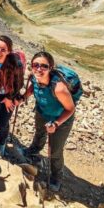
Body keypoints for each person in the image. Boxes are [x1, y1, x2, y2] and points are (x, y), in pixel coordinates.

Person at [22, 51, 76, 192]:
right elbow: (33, 87)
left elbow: (70, 109)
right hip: (42, 111)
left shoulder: (59, 88)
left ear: (50, 68)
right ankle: (34, 150)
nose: (39, 69)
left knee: (55, 150)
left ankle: (56, 177)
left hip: (60, 120)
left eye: (44, 66)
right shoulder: (35, 77)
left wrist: (56, 123)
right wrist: (23, 98)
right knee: (40, 132)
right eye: (36, 65)